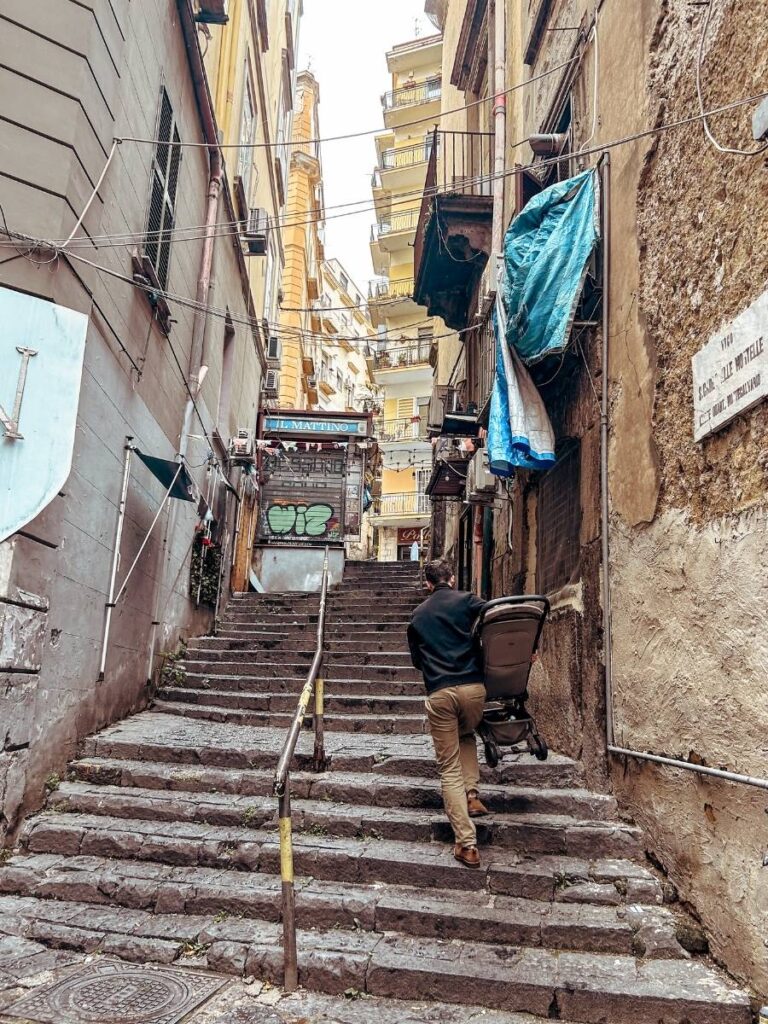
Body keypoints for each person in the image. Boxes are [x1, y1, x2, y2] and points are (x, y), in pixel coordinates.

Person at [407, 559, 489, 868]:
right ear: (451, 578)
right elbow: (495, 619)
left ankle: (466, 844)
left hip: (440, 692)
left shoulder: (417, 616)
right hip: (474, 689)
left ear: (427, 584)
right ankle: (472, 795)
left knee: (448, 767)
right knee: (466, 733)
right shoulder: (468, 600)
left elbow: (417, 662)